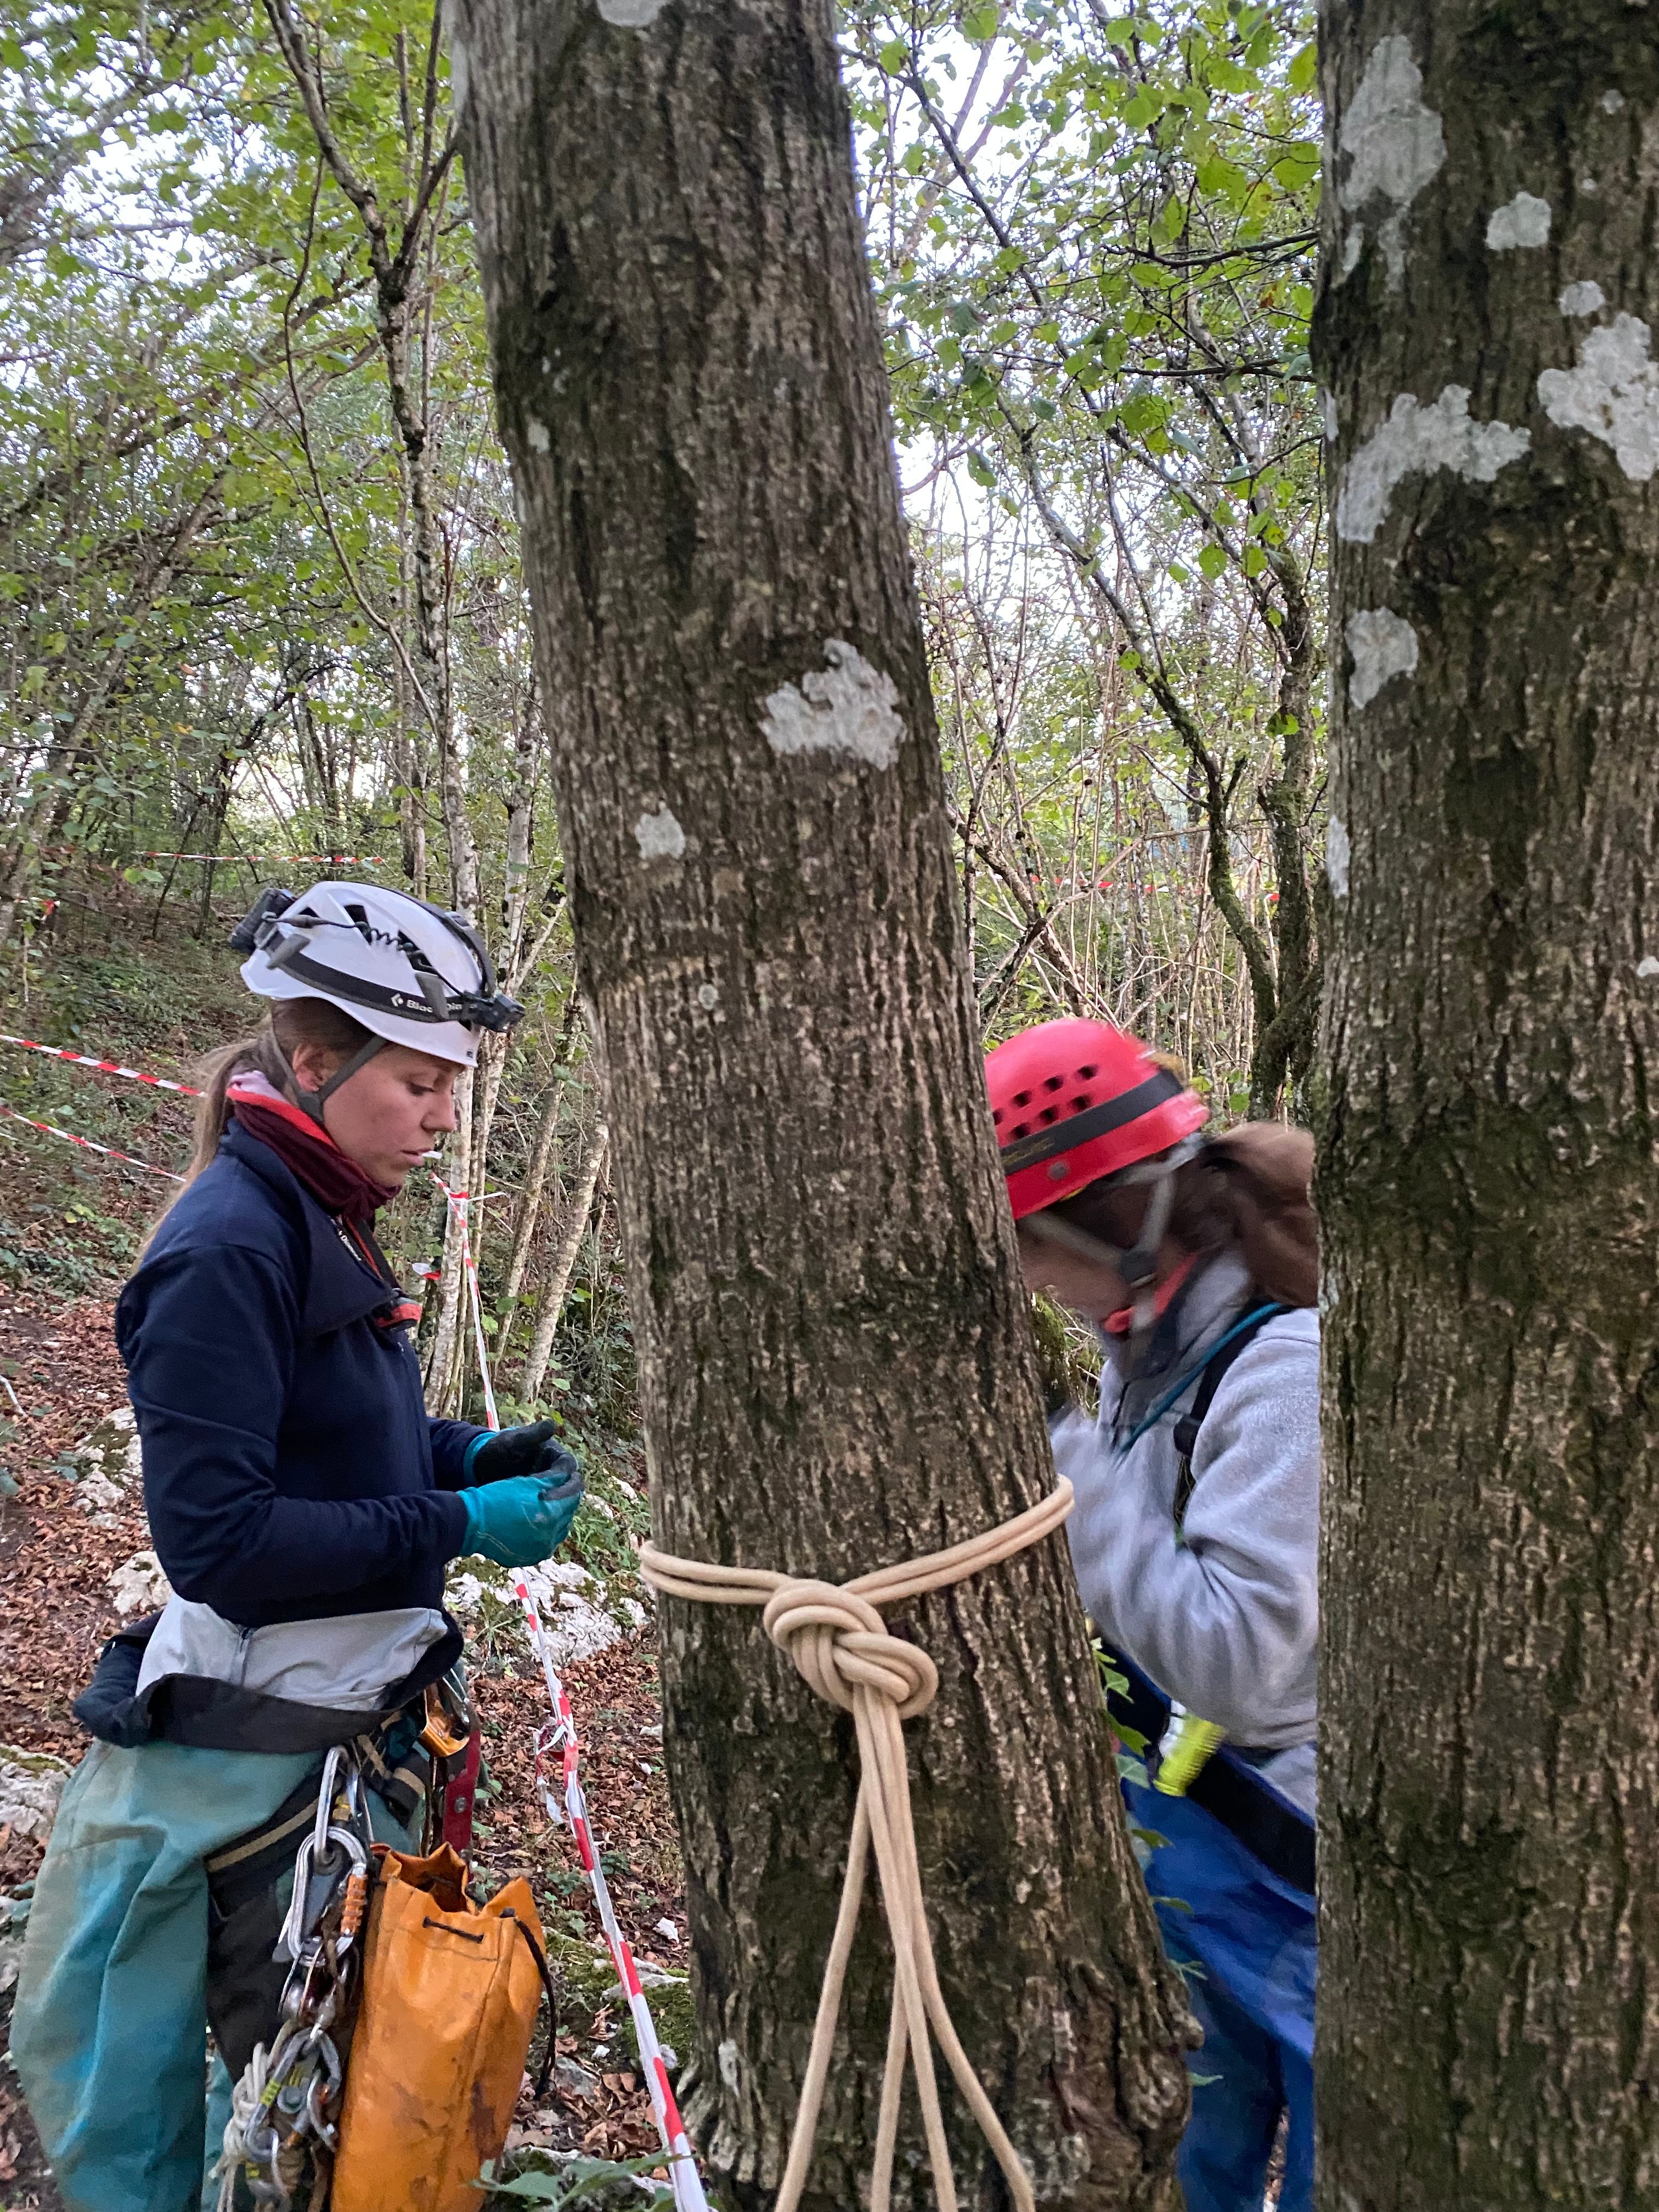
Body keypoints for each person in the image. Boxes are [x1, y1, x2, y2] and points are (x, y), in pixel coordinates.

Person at [13, 880, 587, 2212]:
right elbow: (218, 1540)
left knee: (311, 2112)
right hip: (255, 1763)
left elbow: (326, 1438)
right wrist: (455, 1523)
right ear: (317, 1062)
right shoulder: (230, 1246)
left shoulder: (317, 1206)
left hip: (341, 1726)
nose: (445, 1118)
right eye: (421, 1082)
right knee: (253, 2116)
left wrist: (458, 1456)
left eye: (454, 1084)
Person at [985, 1015, 1319, 2212]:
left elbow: (1242, 1662)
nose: (1036, 1283)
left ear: (1118, 1226)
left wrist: (1067, 1481)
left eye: (1035, 1250)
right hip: (1210, 1863)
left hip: (1310, 1881)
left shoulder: (1280, 1373)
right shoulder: (1156, 1357)